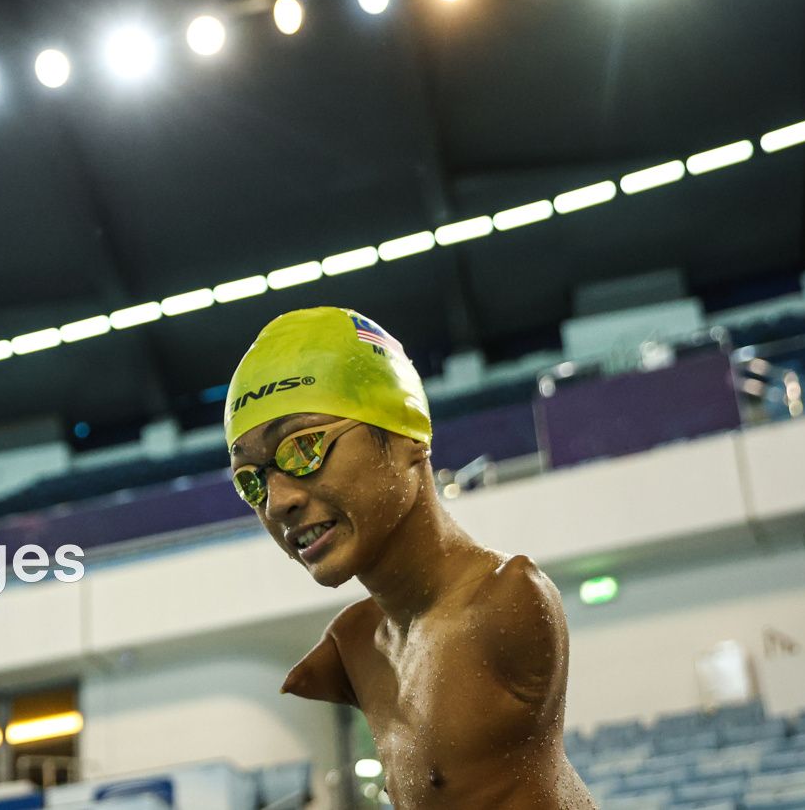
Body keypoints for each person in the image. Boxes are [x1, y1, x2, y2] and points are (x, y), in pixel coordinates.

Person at [225, 307, 595, 809]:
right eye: (251, 480)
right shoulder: (353, 644)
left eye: (304, 448)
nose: (276, 502)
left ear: (406, 436)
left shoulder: (505, 599)